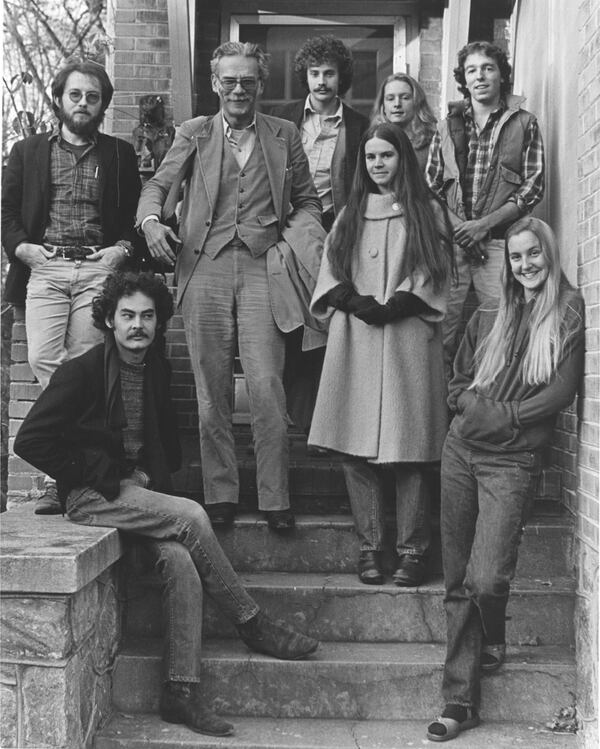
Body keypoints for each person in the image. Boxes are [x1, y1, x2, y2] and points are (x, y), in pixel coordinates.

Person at [13, 270, 320, 739]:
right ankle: (252, 622)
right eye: (128, 316)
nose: (138, 325)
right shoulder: (83, 372)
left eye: (148, 316)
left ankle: (179, 692)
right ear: (110, 321)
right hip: (94, 497)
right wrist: (91, 471)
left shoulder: (156, 369)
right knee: (193, 515)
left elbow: (162, 447)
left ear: (158, 323)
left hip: (132, 496)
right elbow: (30, 440)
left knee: (180, 561)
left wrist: (146, 478)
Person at [136, 42, 325, 533]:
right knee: (211, 388)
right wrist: (152, 221)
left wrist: (296, 245)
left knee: (266, 386)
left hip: (266, 266)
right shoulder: (193, 133)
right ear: (216, 84)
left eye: (248, 80)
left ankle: (275, 498)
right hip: (206, 267)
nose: (238, 89)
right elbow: (156, 186)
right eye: (229, 80)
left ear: (261, 85)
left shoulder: (284, 135)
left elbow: (307, 202)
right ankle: (220, 495)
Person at [426, 217, 584, 742]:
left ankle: (492, 634)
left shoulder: (568, 311)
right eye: (516, 258)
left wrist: (508, 418)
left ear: (548, 252)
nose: (525, 265)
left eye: (532, 254)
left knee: (487, 578)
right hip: (461, 454)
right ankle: (459, 700)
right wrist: (469, 406)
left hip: (511, 462)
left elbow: (561, 391)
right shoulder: (491, 311)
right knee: (457, 582)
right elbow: (457, 380)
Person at [308, 123, 454, 587]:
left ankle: (413, 551)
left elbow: (437, 265)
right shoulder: (351, 213)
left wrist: (401, 302)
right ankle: (370, 548)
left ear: (402, 158)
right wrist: (355, 302)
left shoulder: (427, 210)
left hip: (408, 335)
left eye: (386, 156)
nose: (377, 164)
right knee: (356, 450)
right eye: (370, 157)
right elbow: (330, 269)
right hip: (359, 338)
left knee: (408, 449)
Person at [2, 58, 141, 515]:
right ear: (59, 99)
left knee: (82, 366)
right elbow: (6, 213)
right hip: (45, 267)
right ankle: (76, 463)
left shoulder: (119, 154)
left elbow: (135, 219)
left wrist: (122, 247)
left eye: (93, 97)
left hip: (97, 270)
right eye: (76, 95)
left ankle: (56, 478)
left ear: (103, 105)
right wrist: (22, 248)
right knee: (46, 358)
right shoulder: (28, 151)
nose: (83, 103)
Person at [426, 41, 545, 371]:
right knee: (441, 333)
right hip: (451, 244)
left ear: (501, 75)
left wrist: (484, 226)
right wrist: (464, 231)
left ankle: (492, 413)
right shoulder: (446, 125)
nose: (480, 76)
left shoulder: (524, 122)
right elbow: (431, 189)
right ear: (464, 79)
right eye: (471, 70)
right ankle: (440, 417)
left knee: (501, 329)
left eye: (488, 68)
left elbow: (532, 187)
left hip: (499, 245)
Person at [273, 35, 369, 232]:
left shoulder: (359, 125)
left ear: (341, 76)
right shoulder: (281, 116)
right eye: (314, 73)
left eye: (329, 74)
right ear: (305, 76)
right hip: (287, 223)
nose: (321, 81)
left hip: (337, 226)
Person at [371, 73, 437, 173]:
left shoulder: (432, 143)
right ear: (383, 106)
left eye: (405, 98)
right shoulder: (372, 141)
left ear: (416, 102)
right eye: (390, 99)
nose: (397, 104)